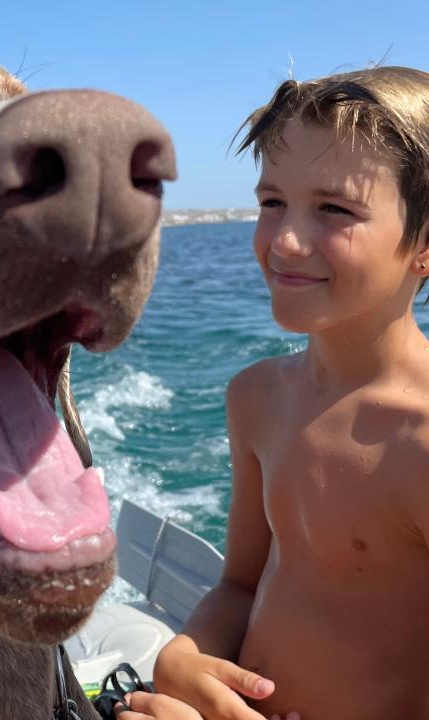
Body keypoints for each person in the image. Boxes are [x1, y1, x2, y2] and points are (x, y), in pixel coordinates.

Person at [151, 66, 429, 720]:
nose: (285, 240)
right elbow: (242, 584)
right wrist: (186, 657)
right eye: (272, 201)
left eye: (334, 209)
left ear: (424, 245)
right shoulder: (257, 398)